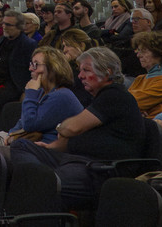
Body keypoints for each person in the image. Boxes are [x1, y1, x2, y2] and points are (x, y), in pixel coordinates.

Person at [7, 47, 144, 205]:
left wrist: (61, 127)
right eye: (80, 71)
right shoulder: (99, 98)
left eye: (86, 70)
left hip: (98, 168)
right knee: (21, 145)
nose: (80, 76)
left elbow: (70, 128)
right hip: (75, 158)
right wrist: (51, 146)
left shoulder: (115, 95)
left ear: (107, 73)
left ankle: (38, 183)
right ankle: (37, 179)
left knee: (39, 185)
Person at [16, 47, 83, 142]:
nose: (30, 68)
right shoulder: (41, 93)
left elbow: (29, 124)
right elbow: (21, 123)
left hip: (50, 149)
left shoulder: (62, 96)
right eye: (31, 64)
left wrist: (31, 93)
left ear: (52, 68)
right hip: (32, 147)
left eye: (36, 64)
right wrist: (10, 135)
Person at [0, 10, 35, 109]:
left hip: (13, 84)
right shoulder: (3, 39)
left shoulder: (28, 44)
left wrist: (25, 91)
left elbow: (31, 70)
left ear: (19, 27)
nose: (4, 27)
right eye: (3, 23)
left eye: (8, 25)